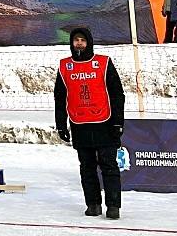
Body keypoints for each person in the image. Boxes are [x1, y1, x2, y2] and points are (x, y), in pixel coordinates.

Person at [54, 27, 125, 220]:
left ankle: (113, 206)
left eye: (82, 40)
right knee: (87, 168)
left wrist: (118, 122)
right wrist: (61, 124)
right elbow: (59, 98)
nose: (79, 43)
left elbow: (118, 94)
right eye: (76, 40)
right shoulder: (64, 66)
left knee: (109, 166)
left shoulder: (103, 63)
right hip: (79, 124)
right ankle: (93, 204)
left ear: (89, 42)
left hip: (105, 123)